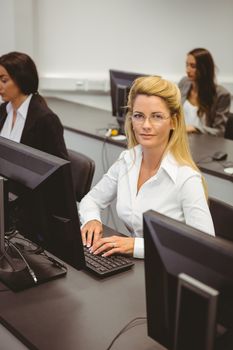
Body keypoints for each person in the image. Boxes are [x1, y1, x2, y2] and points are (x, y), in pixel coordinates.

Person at [79, 76, 215, 259]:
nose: (146, 125)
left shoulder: (186, 178)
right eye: (138, 116)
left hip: (168, 271)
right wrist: (92, 220)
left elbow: (204, 247)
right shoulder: (128, 160)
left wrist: (136, 246)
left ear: (174, 121)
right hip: (133, 266)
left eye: (157, 117)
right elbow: (91, 200)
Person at [0, 51, 68, 159]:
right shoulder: (3, 110)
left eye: (4, 80)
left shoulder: (46, 120)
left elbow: (59, 171)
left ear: (21, 79)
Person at [178, 48, 231, 137]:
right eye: (187, 65)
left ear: (204, 68)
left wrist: (195, 128)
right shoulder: (184, 83)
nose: (187, 70)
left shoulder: (222, 95)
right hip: (180, 138)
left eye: (193, 66)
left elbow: (219, 132)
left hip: (203, 143)